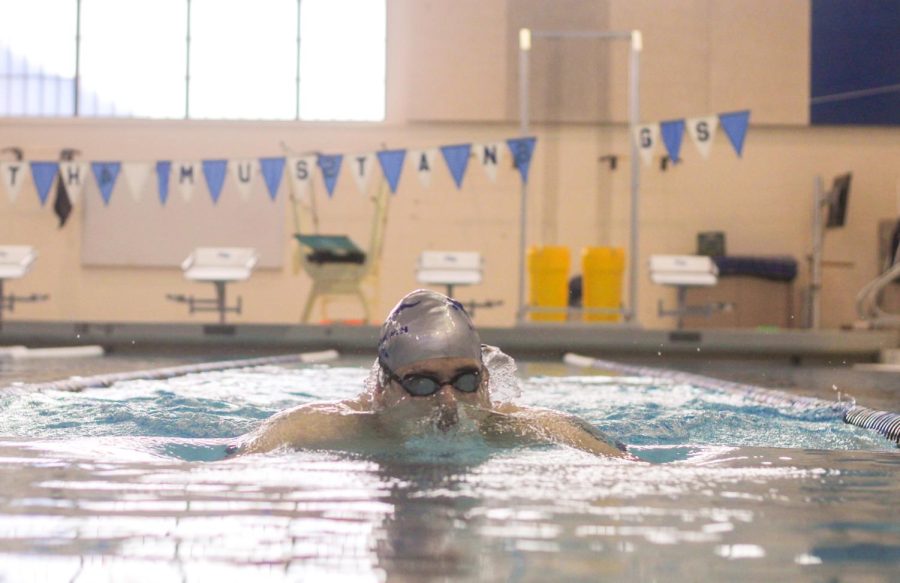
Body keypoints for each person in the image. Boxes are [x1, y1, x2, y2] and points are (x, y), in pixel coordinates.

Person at [231, 289, 633, 459]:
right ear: (382, 387)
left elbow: (631, 468)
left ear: (487, 381)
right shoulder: (322, 428)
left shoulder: (527, 427)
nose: (448, 401)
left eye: (465, 380)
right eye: (422, 383)